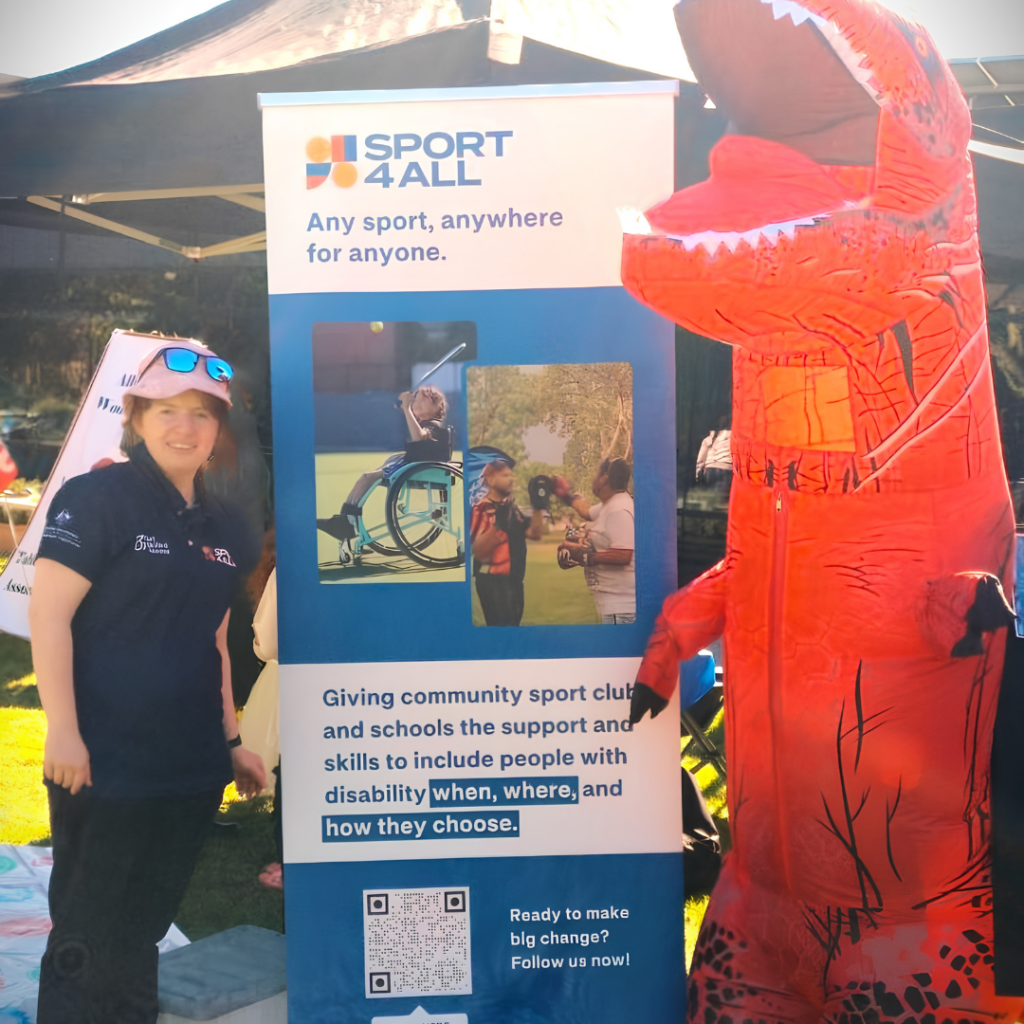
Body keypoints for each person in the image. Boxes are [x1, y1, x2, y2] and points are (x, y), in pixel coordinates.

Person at [29, 339, 266, 1024]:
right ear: (135, 418)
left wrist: (232, 740)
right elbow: (48, 616)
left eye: (201, 414)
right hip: (105, 759)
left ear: (218, 430)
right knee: (86, 928)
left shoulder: (223, 524)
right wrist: (64, 732)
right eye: (166, 411)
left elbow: (216, 641)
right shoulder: (97, 497)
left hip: (188, 765)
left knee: (144, 924)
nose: (183, 427)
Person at [318, 384, 449, 559]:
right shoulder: (425, 423)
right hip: (410, 466)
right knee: (366, 478)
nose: (420, 398)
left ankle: (344, 523)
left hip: (415, 469)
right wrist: (405, 407)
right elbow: (415, 429)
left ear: (436, 409)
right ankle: (344, 521)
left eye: (426, 398)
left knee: (367, 478)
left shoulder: (434, 426)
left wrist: (406, 408)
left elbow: (419, 438)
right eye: (418, 398)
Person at [554, 458, 636, 624]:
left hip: (622, 610)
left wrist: (585, 557)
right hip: (616, 608)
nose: (594, 478)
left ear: (605, 477)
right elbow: (587, 512)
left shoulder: (618, 509)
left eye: (597, 473)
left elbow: (624, 555)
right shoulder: (611, 504)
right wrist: (566, 496)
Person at [470, 461, 543, 626]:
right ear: (490, 479)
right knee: (501, 630)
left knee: (512, 628)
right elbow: (479, 551)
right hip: (492, 581)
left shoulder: (512, 508)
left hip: (515, 579)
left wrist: (538, 506)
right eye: (505, 475)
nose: (511, 479)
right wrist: (498, 525)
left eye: (511, 475)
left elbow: (534, 533)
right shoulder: (481, 508)